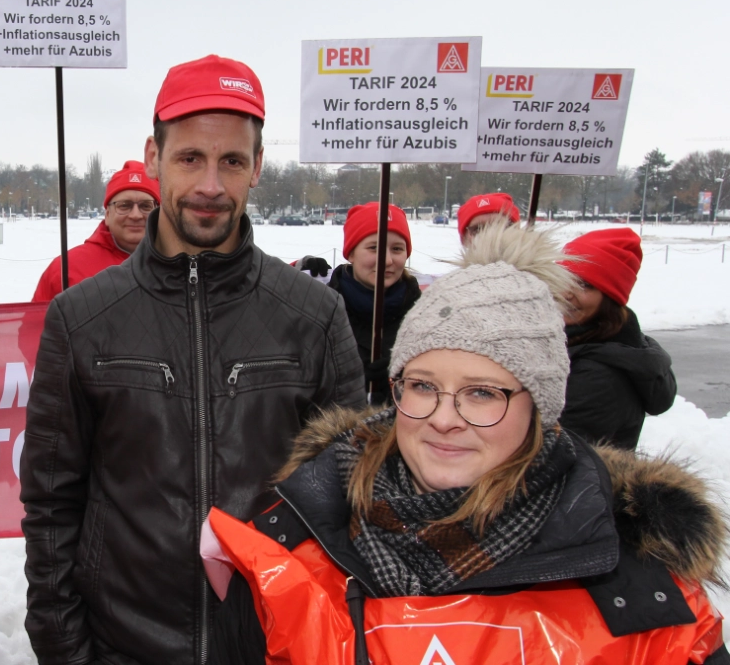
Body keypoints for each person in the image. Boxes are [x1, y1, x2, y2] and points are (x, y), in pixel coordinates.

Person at [205, 224, 727, 664]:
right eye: (423, 386)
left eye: (482, 393)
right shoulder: (296, 535)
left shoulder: (639, 584)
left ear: (539, 408)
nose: (444, 419)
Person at [20, 54, 367, 665]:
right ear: (154, 160)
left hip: (276, 644)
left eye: (231, 161)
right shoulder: (82, 317)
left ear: (257, 166)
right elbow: (51, 503)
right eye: (190, 158)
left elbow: (352, 499)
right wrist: (64, 649)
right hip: (123, 645)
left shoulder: (315, 315)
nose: (211, 185)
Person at [560, 227, 676, 449]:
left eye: (585, 284)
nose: (566, 292)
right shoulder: (597, 340)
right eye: (564, 278)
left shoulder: (596, 375)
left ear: (610, 298)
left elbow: (558, 457)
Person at [325, 202, 420, 405]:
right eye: (374, 248)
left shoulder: (424, 314)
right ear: (351, 253)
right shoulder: (322, 309)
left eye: (397, 249)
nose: (387, 260)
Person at [31, 161, 160, 301]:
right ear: (107, 215)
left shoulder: (181, 266)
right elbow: (36, 322)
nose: (136, 215)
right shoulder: (65, 270)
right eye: (124, 206)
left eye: (146, 206)